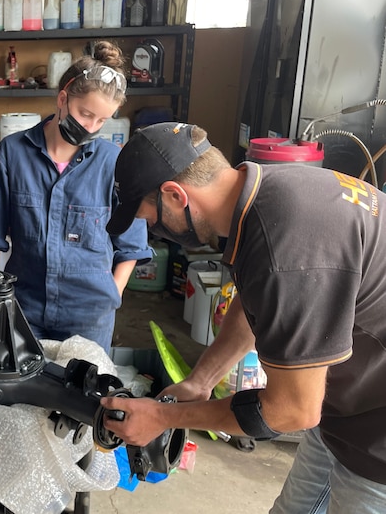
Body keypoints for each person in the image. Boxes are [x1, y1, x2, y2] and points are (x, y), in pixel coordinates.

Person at [103, 122, 386, 512]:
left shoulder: (284, 246)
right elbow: (258, 300)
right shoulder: (262, 193)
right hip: (342, 410)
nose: (151, 227)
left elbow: (290, 411)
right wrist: (202, 381)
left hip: (377, 438)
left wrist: (164, 417)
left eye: (148, 215)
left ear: (175, 194)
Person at [0, 40, 151, 352]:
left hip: (90, 315)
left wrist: (114, 293)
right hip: (23, 306)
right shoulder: (12, 155)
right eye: (85, 114)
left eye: (102, 120)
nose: (91, 127)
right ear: (63, 98)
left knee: (82, 396)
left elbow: (132, 244)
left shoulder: (115, 163)